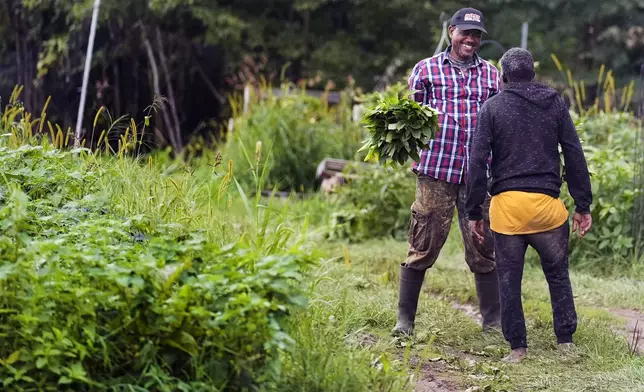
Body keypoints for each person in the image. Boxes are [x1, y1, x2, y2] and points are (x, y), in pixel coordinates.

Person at [465, 47, 593, 363]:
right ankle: (565, 342)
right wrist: (583, 205)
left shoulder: (492, 108)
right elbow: (574, 154)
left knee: (509, 278)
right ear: (532, 74)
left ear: (504, 76)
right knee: (558, 275)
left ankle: (518, 348)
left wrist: (472, 212)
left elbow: (477, 161)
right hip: (548, 209)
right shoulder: (555, 103)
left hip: (508, 210)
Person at [393, 7, 502, 336]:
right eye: (465, 32)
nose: (471, 39)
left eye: (477, 34)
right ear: (451, 32)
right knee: (422, 244)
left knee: (484, 247)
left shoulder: (491, 75)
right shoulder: (425, 70)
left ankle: (493, 324)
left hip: (478, 174)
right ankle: (404, 322)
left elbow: (500, 121)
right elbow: (410, 120)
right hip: (436, 171)